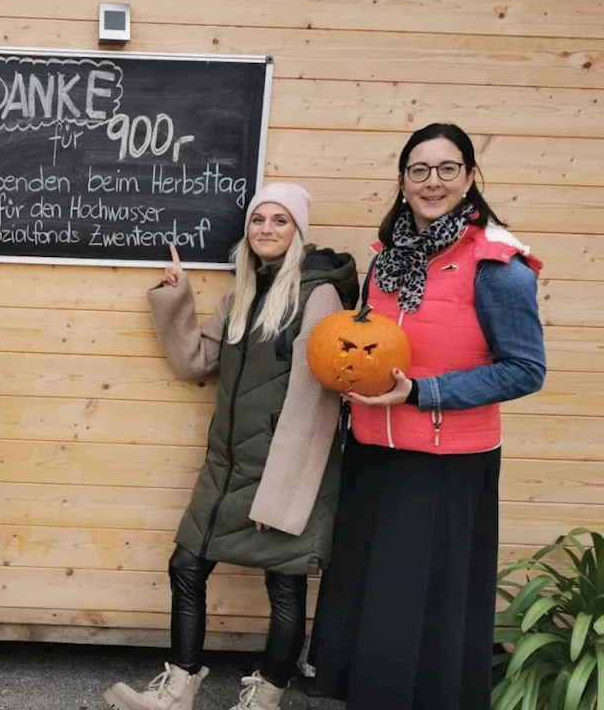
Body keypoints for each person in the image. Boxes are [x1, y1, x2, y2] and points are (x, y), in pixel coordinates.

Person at [305, 123, 546, 709]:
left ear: (468, 177)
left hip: (446, 463)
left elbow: (524, 369)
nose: (431, 182)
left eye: (446, 169)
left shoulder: (497, 263)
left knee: (422, 608)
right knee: (374, 600)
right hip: (373, 452)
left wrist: (422, 393)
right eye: (419, 170)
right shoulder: (389, 258)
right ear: (403, 180)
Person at [103, 183, 359, 710]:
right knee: (186, 566)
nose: (266, 228)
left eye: (280, 220)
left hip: (289, 468)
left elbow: (317, 404)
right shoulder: (240, 294)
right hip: (228, 465)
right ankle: (181, 685)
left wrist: (281, 493)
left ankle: (266, 695)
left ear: (298, 231)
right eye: (258, 219)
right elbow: (196, 362)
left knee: (285, 585)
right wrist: (176, 297)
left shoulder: (318, 296)